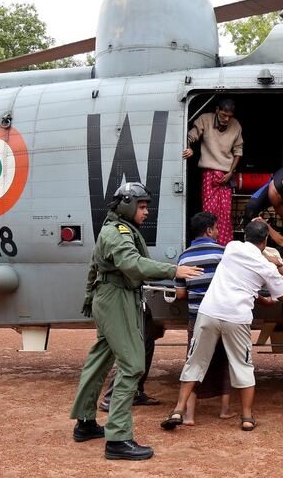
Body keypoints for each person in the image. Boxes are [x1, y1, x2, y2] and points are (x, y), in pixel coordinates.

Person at [69, 182, 203, 461]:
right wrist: (173, 270)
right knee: (132, 364)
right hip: (116, 298)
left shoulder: (116, 229)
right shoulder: (118, 232)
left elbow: (97, 268)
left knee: (99, 360)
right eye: (141, 207)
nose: (145, 212)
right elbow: (132, 265)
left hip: (112, 297)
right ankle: (118, 438)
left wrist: (88, 298)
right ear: (128, 205)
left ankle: (85, 423)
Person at [161, 221, 283, 432]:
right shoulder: (266, 267)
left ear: (244, 236)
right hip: (237, 316)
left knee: (195, 361)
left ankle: (178, 410)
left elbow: (238, 277)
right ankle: (247, 417)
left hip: (209, 311)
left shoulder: (231, 247)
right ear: (265, 241)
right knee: (242, 365)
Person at [173, 212, 235, 425]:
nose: (218, 232)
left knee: (194, 362)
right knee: (224, 361)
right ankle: (225, 410)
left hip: (197, 318)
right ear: (209, 230)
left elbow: (180, 294)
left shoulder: (184, 257)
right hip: (223, 316)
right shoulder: (224, 253)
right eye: (217, 228)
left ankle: (189, 415)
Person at [183, 98, 243, 246]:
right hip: (209, 174)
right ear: (217, 110)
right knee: (209, 214)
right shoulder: (205, 119)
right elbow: (190, 136)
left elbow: (238, 151)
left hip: (226, 175)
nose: (226, 119)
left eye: (230, 116)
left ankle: (223, 247)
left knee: (225, 216)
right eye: (223, 115)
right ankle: (208, 245)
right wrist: (188, 147)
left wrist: (230, 172)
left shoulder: (236, 125)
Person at [98, 304, 161, 412]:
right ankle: (111, 397)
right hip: (128, 303)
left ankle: (135, 392)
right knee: (134, 351)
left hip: (140, 303)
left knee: (146, 345)